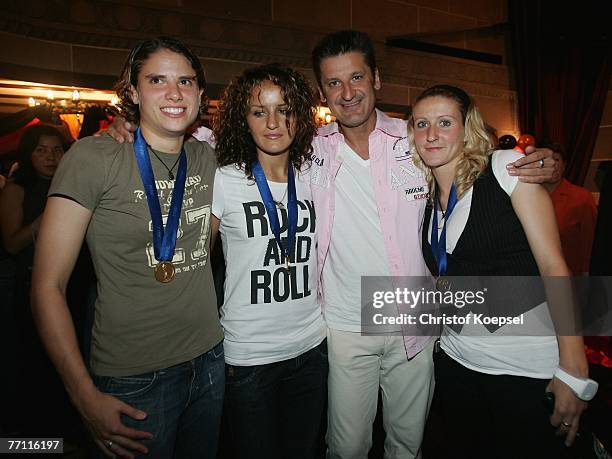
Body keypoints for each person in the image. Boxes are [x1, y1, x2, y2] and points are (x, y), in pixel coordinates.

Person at [105, 29, 558, 458]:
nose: (347, 92)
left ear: (376, 79)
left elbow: (475, 165)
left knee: (409, 445)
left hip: (416, 323)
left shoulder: (416, 137)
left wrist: (546, 165)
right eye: (334, 83)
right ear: (322, 93)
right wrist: (128, 128)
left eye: (357, 77)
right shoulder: (310, 147)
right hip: (343, 324)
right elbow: (207, 135)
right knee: (345, 447)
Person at [31, 37, 224, 458]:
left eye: (186, 82)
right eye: (158, 80)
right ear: (133, 92)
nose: (175, 93)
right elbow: (47, 286)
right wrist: (82, 395)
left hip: (210, 361)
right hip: (135, 378)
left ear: (199, 94)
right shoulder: (93, 158)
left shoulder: (209, 159)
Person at [412, 84, 591, 458]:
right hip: (459, 362)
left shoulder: (505, 169)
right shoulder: (428, 199)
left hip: (524, 367)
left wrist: (574, 370)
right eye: (421, 124)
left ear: (468, 128)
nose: (431, 134)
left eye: (445, 122)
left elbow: (553, 265)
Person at [211, 63, 327, 459]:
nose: (273, 122)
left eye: (284, 109)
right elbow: (193, 264)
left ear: (299, 116)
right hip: (249, 356)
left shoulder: (315, 176)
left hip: (313, 346)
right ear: (244, 121)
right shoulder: (224, 180)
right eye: (259, 112)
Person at [0, 123, 68, 434]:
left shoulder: (70, 185)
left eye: (57, 149)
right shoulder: (18, 188)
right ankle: (35, 437)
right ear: (29, 154)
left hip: (72, 285)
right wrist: (46, 218)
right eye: (41, 150)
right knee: (34, 360)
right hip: (31, 283)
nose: (50, 157)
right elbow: (12, 242)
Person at [542, 141, 597, 275]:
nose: (552, 164)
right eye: (546, 160)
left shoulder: (581, 197)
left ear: (564, 165)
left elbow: (590, 243)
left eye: (556, 159)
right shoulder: (528, 197)